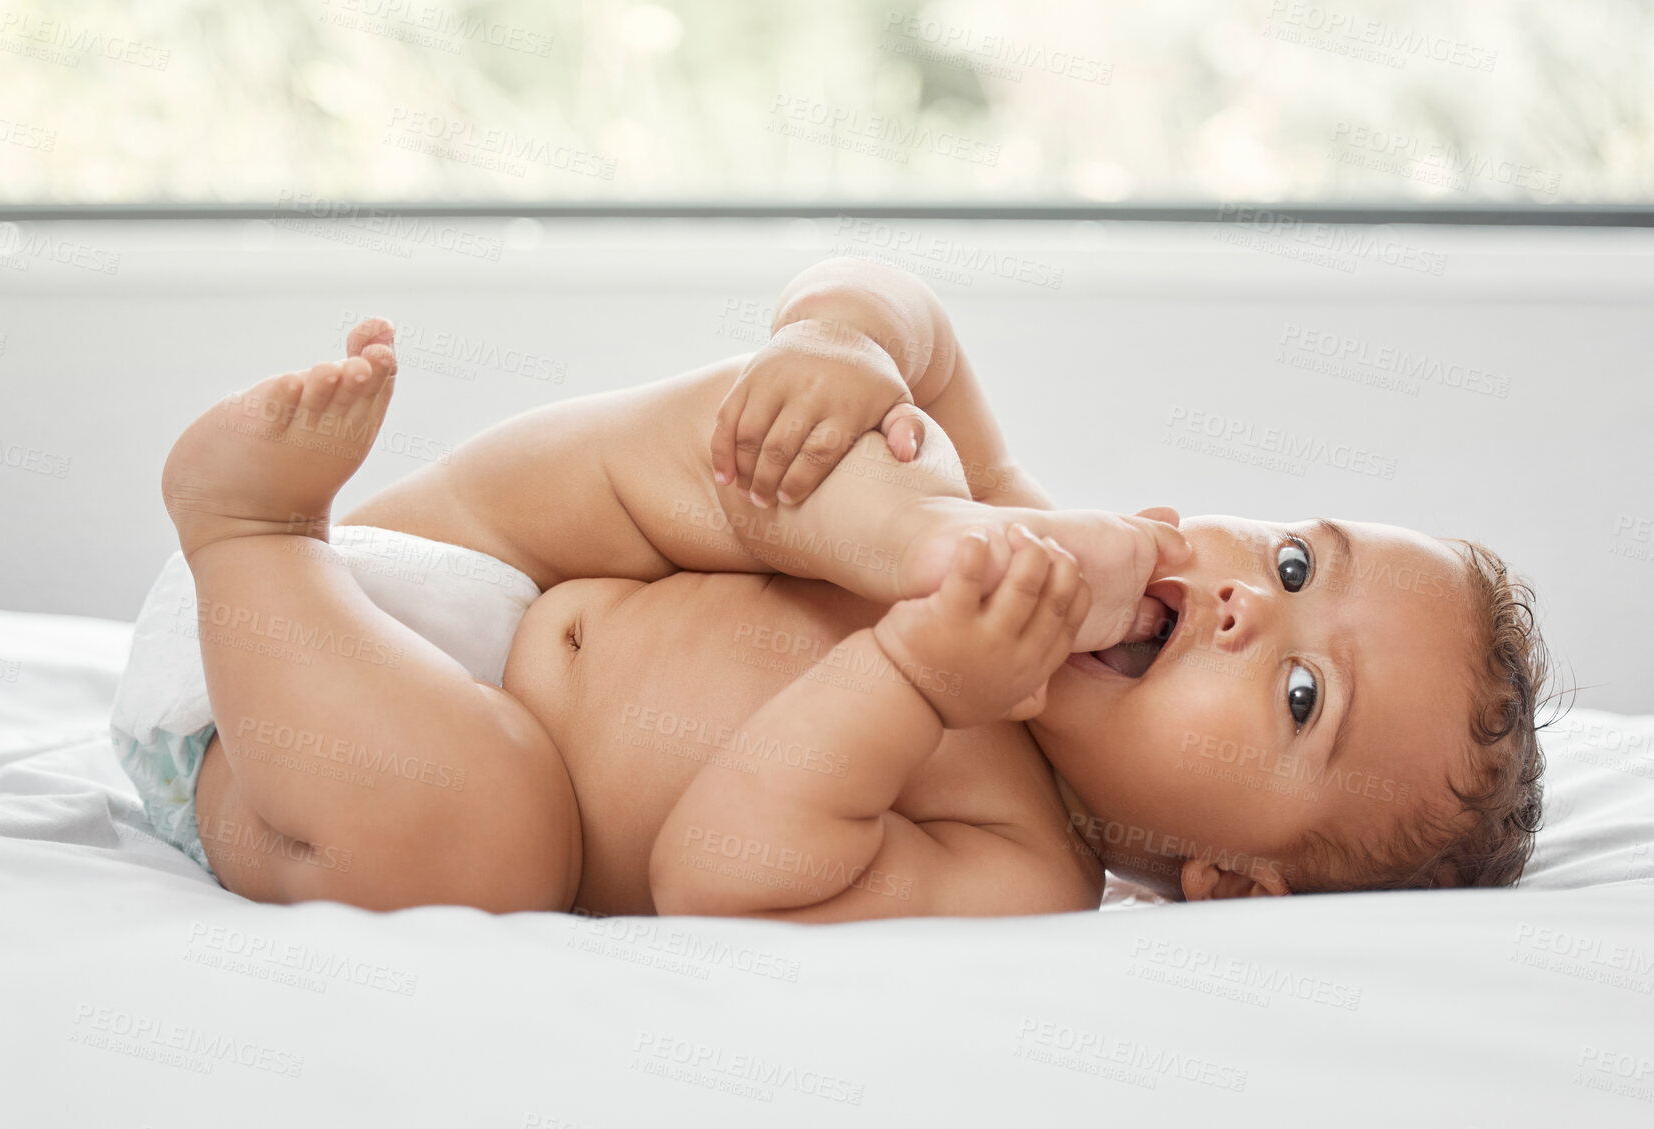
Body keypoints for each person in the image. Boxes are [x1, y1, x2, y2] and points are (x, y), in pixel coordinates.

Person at [112, 259, 1549, 919]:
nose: (1249, 604)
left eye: (1301, 694)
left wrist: (915, 678)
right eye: (1293, 563)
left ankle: (242, 526)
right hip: (463, 551)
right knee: (849, 456)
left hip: (307, 728)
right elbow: (925, 315)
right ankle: (861, 477)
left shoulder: (1022, 869)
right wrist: (852, 335)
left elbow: (716, 876)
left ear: (1232, 878)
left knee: (491, 851)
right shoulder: (1032, 531)